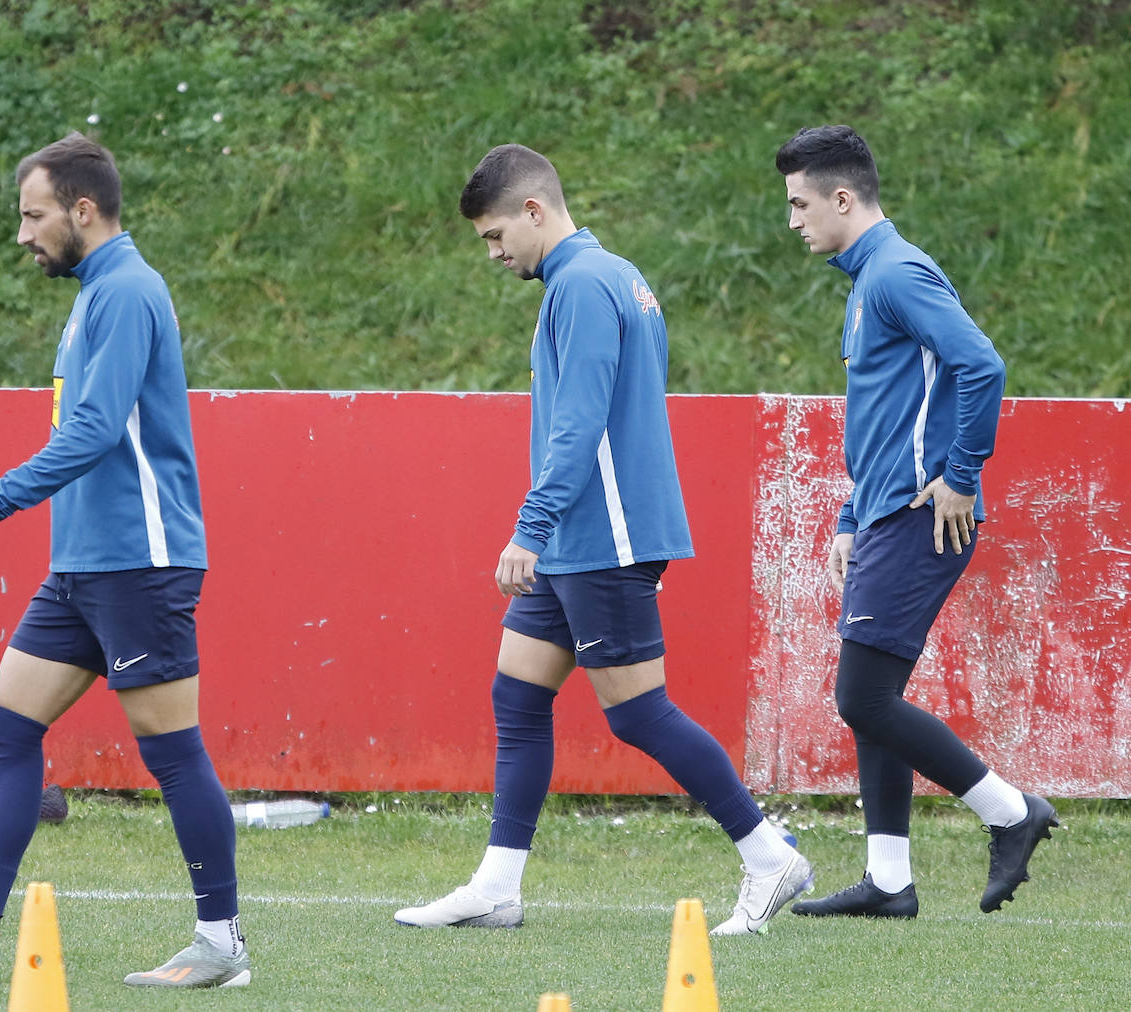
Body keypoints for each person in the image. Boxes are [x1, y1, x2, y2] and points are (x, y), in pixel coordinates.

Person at [394, 143, 813, 938]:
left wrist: (530, 528)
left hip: (604, 534)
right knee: (517, 696)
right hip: (584, 535)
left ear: (533, 211)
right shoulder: (608, 273)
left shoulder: (583, 284)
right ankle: (497, 886)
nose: (493, 255)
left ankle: (768, 855)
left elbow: (580, 423)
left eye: (493, 236)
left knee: (637, 713)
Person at [0, 133, 250, 989]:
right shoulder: (94, 294)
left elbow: (95, 430)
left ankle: (223, 945)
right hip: (84, 567)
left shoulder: (129, 291)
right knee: (9, 727)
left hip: (141, 564)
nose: (22, 234)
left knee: (173, 751)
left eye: (33, 215)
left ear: (82, 210)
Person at [774, 125, 1058, 920]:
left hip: (920, 518)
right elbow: (883, 416)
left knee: (862, 698)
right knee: (875, 695)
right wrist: (847, 514)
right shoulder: (868, 280)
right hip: (884, 515)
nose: (793, 221)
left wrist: (960, 477)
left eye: (800, 205)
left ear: (841, 197)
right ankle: (890, 882)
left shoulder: (896, 273)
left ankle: (1011, 812)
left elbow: (982, 364)